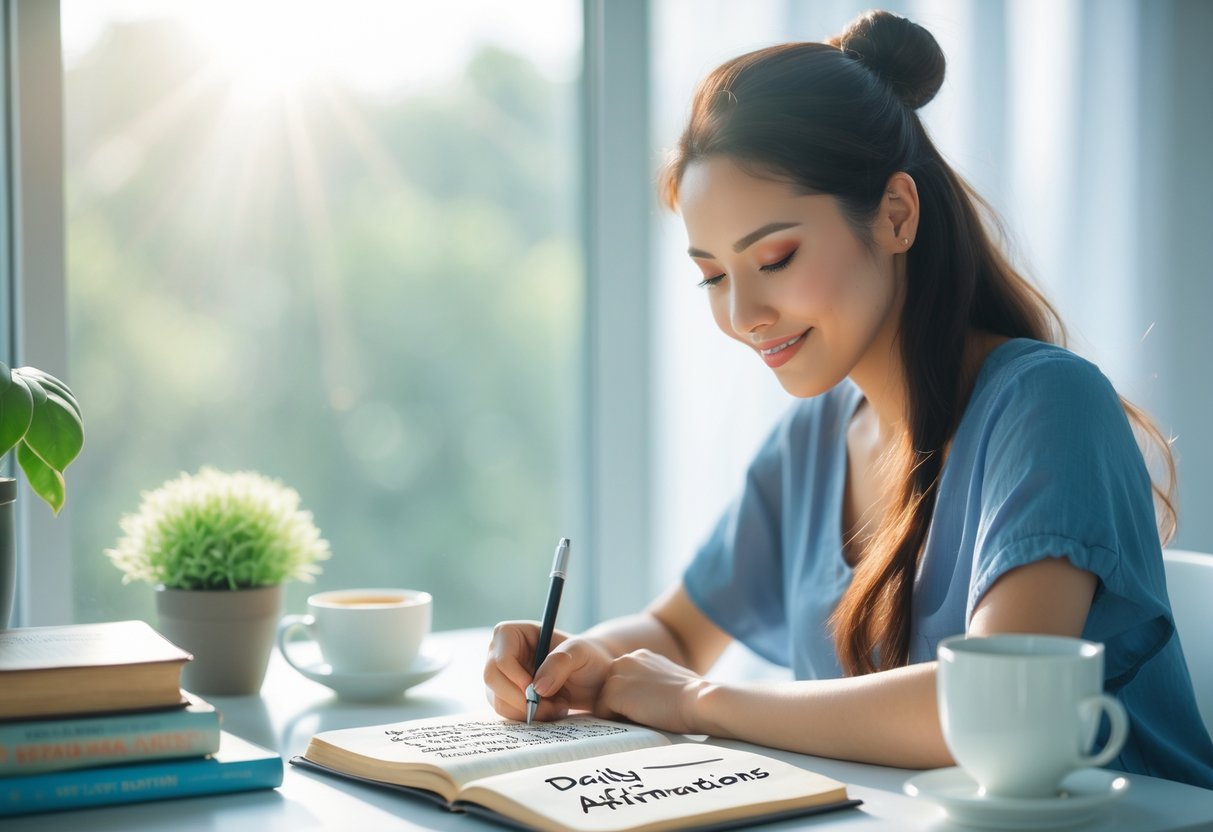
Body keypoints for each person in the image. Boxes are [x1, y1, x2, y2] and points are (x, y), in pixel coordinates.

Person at [483, 10, 1213, 788]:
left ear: (896, 215)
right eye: (713, 276)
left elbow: (990, 709)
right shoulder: (811, 442)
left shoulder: (1045, 407)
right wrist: (580, 659)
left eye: (775, 256)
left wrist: (697, 702)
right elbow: (673, 629)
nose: (741, 315)